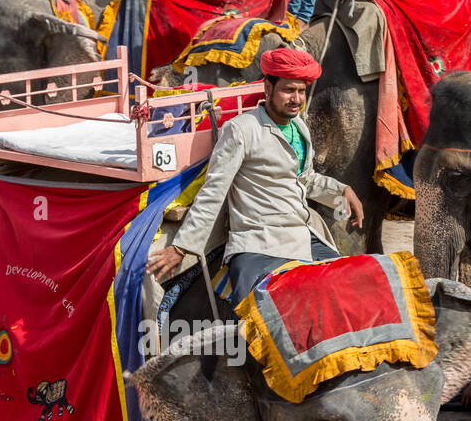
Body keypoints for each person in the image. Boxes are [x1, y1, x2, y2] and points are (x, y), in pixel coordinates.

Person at [146, 47, 363, 305]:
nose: (296, 98)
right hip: (258, 244)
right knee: (258, 319)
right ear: (268, 89)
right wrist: (182, 247)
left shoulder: (299, 127)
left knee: (351, 288)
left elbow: (303, 178)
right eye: (288, 90)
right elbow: (214, 192)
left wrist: (340, 190)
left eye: (301, 91)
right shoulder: (241, 130)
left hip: (302, 236)